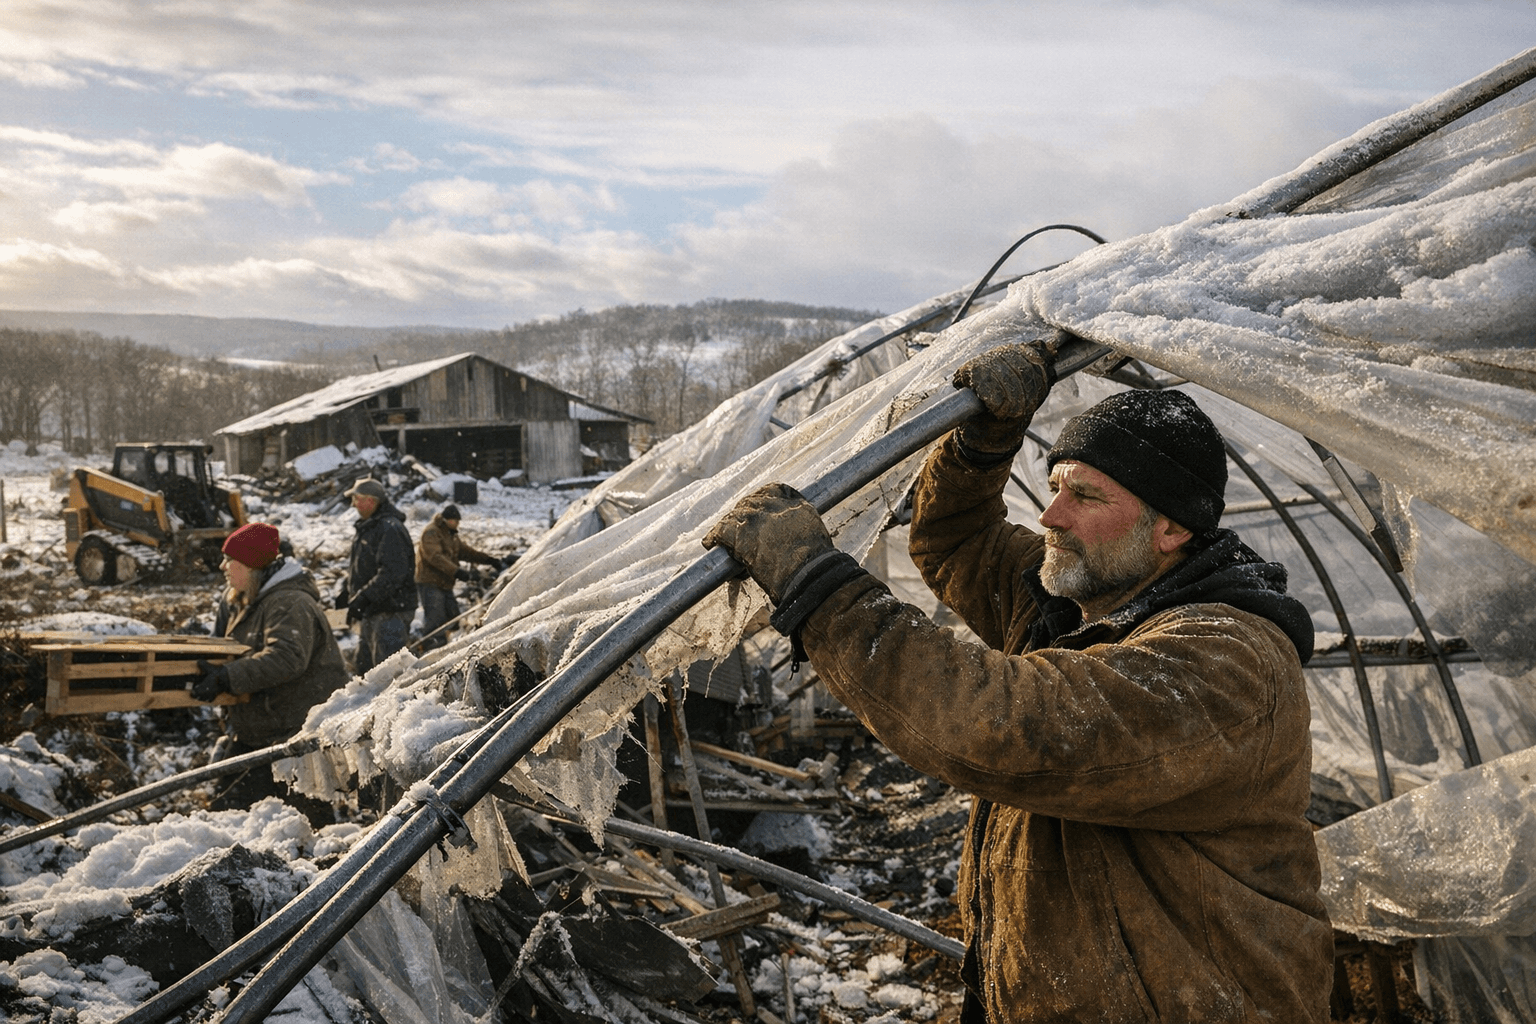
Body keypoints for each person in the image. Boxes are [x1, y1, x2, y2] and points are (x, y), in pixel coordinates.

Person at [704, 340, 1333, 1023]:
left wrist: (818, 588)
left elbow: (1008, 728)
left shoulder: (1227, 661)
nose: (1051, 515)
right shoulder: (1073, 602)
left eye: (1085, 496)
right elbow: (954, 542)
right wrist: (981, 442)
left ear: (1171, 526)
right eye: (1056, 484)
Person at [193, 522, 348, 818]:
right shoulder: (244, 600)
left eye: (231, 561)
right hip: (260, 730)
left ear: (250, 566)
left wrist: (228, 677)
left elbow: (286, 657)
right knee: (234, 815)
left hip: (291, 738)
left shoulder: (289, 603)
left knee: (301, 822)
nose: (223, 566)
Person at [338, 477, 417, 674]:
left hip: (390, 612)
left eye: (356, 499)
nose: (354, 504)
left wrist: (364, 597)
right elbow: (363, 567)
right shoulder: (369, 527)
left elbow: (392, 573)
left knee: (387, 675)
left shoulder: (389, 529)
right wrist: (347, 591)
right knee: (366, 669)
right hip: (374, 610)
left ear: (371, 501)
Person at [414, 503, 512, 651]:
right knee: (436, 619)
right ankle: (429, 649)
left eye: (457, 522)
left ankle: (445, 646)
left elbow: (466, 552)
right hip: (430, 583)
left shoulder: (451, 535)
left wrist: (489, 559)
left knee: (453, 617)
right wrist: (458, 572)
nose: (456, 524)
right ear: (445, 519)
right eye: (454, 521)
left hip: (445, 583)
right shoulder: (431, 533)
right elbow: (435, 557)